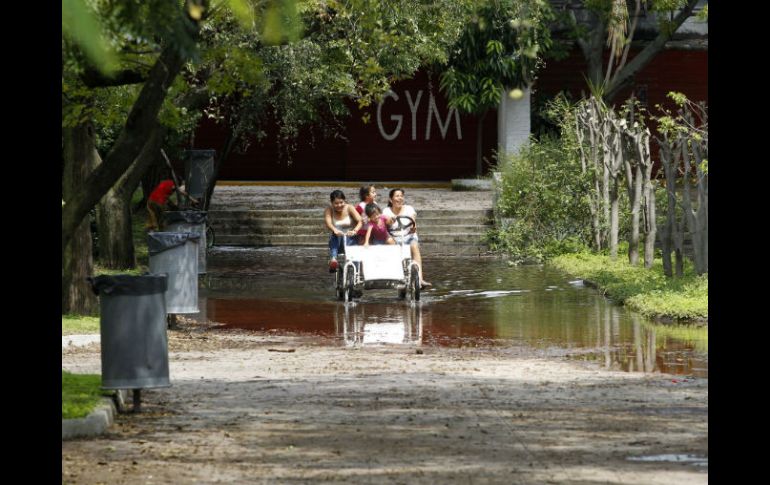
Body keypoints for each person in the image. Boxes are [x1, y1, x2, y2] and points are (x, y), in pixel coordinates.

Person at [382, 188, 432, 288]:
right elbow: (385, 223)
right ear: (391, 200)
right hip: (394, 237)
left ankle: (420, 279)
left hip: (409, 236)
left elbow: (413, 220)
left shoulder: (409, 208)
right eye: (397, 196)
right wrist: (390, 220)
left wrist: (414, 227)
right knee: (392, 244)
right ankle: (397, 275)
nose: (399, 198)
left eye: (401, 196)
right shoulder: (386, 211)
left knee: (414, 247)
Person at [323, 189, 363, 272]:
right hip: (338, 242)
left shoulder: (349, 208)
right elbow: (328, 223)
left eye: (341, 202)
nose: (339, 205)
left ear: (344, 201)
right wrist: (335, 230)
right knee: (334, 235)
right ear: (332, 203)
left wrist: (354, 231)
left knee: (354, 259)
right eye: (336, 203)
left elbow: (360, 221)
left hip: (351, 239)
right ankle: (334, 259)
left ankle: (355, 270)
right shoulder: (329, 209)